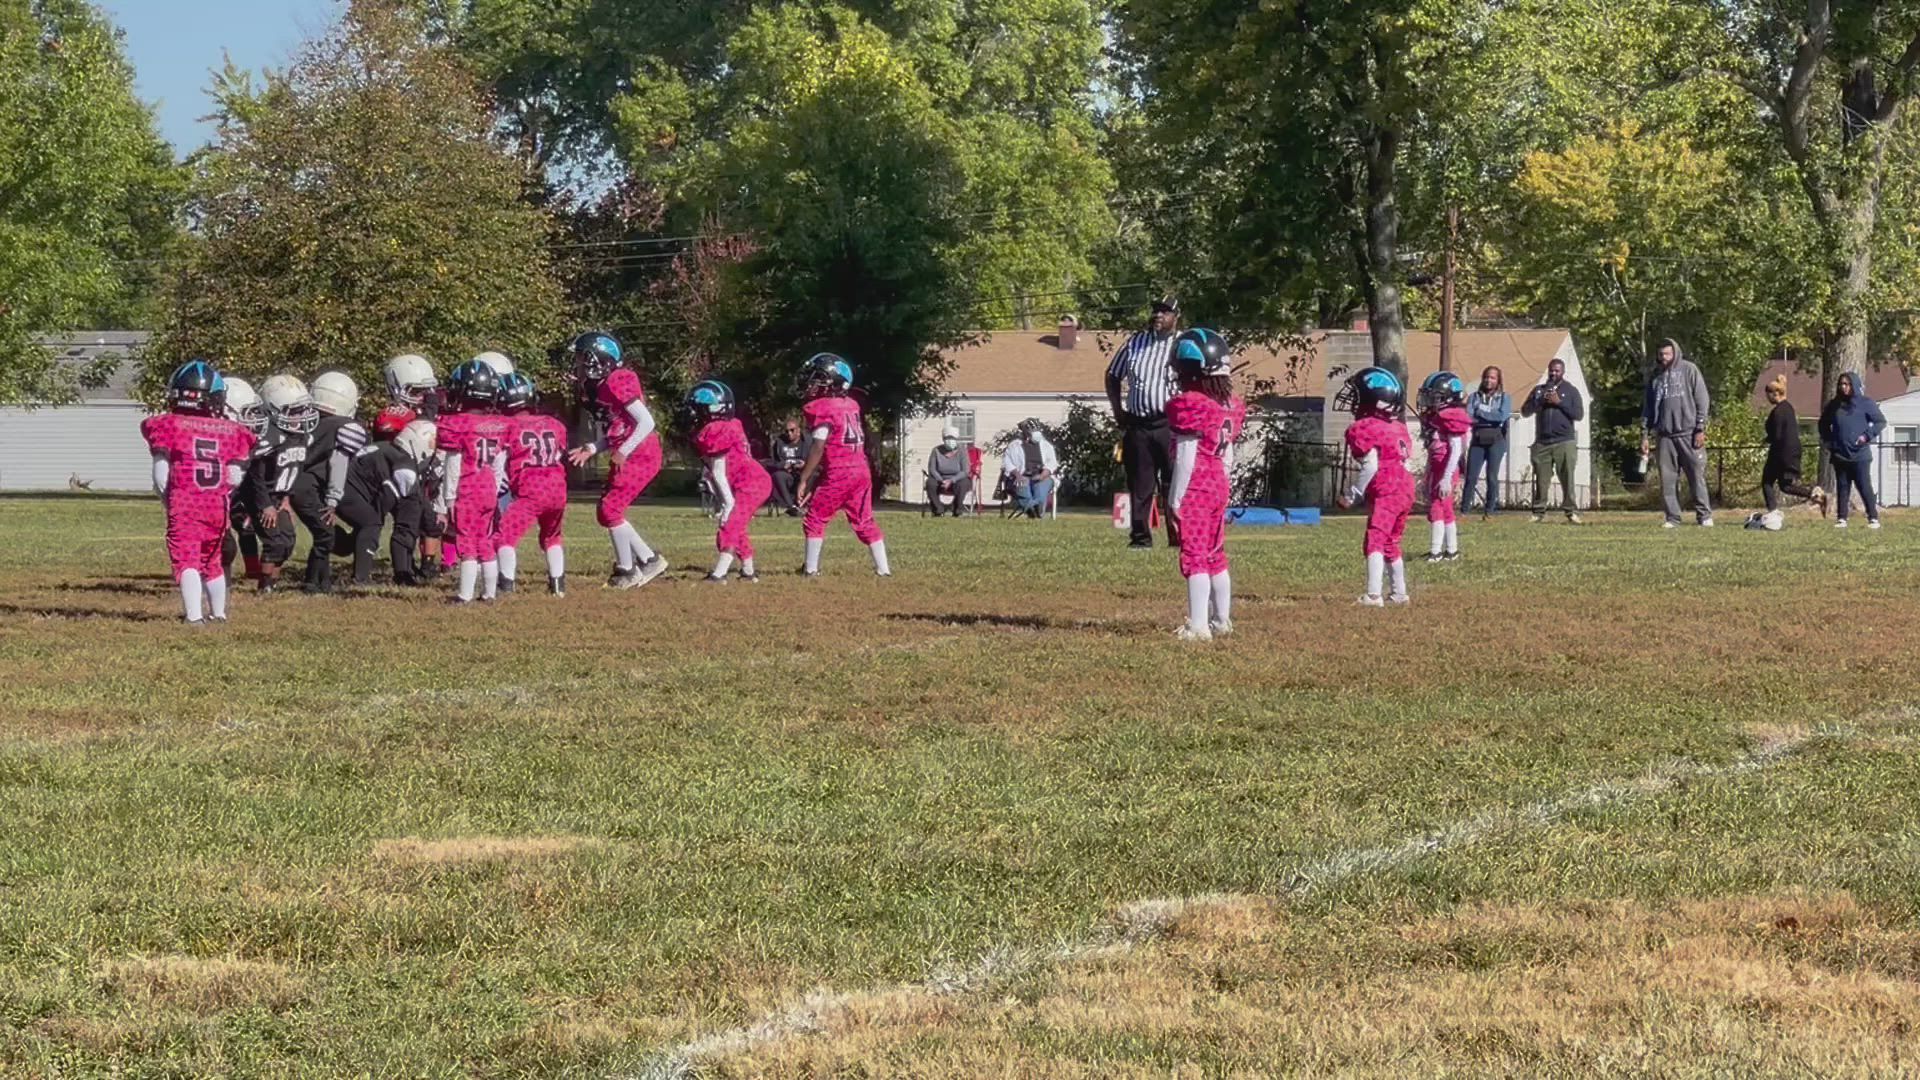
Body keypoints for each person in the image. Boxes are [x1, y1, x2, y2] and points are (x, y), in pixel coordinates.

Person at [141, 362, 257, 625]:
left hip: (185, 501)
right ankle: (219, 613)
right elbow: (234, 477)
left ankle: (194, 616)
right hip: (217, 504)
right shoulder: (230, 432)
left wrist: (167, 500)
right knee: (212, 560)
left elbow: (161, 475)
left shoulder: (169, 425)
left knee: (187, 560)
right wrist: (222, 494)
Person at [566, 331, 669, 589]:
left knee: (610, 510)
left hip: (641, 453)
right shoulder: (600, 388)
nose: (577, 364)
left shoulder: (617, 381)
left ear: (598, 360)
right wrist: (592, 447)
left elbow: (646, 422)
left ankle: (627, 570)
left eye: (581, 358)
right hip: (630, 452)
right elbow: (618, 430)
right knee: (607, 511)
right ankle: (648, 559)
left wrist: (625, 450)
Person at [1166, 328, 1245, 642]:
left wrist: (1174, 499)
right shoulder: (1228, 405)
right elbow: (1228, 455)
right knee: (1216, 553)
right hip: (1218, 481)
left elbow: (1186, 457)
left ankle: (1199, 625)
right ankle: (1222, 619)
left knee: (1195, 553)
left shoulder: (1193, 406)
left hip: (1196, 482)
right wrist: (1223, 485)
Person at [795, 353, 891, 577]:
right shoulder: (851, 405)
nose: (812, 384)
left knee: (815, 518)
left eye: (817, 379)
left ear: (832, 383)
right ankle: (884, 569)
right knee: (864, 520)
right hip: (861, 469)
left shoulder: (824, 407)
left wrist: (804, 478)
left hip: (840, 472)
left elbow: (819, 447)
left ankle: (810, 569)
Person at [435, 359, 515, 604]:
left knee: (467, 541)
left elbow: (453, 464)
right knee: (485, 540)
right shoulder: (499, 425)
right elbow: (500, 462)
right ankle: (489, 593)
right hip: (489, 487)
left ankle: (465, 594)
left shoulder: (457, 424)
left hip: (467, 488)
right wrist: (496, 485)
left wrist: (448, 497)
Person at [1106, 297, 1182, 548]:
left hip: (1169, 425)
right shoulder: (1135, 343)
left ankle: (1178, 537)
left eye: (1165, 312)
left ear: (1176, 317)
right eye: (1155, 311)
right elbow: (1112, 376)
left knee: (1174, 483)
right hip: (1138, 424)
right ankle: (1140, 539)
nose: (1158, 315)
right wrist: (1118, 411)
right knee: (1140, 484)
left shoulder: (1181, 345)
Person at [1336, 367, 1414, 607]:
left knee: (1376, 539)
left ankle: (1373, 594)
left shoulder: (1368, 427)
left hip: (1387, 486)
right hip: (1405, 486)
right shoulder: (1397, 427)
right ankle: (1400, 593)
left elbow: (1370, 465)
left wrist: (1353, 494)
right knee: (1392, 541)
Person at [686, 380, 773, 582]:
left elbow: (718, 471)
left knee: (730, 524)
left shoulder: (718, 429)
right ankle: (749, 571)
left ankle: (720, 572)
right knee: (737, 525)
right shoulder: (728, 424)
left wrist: (728, 503)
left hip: (752, 484)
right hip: (748, 482)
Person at [291, 370, 367, 595]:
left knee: (324, 532)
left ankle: (323, 582)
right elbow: (338, 463)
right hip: (305, 487)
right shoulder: (344, 426)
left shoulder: (306, 420)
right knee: (325, 533)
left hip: (294, 482)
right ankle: (312, 583)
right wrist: (333, 499)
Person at [496, 371, 571, 595]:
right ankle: (558, 586)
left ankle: (506, 586)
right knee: (552, 536)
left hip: (531, 488)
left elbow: (500, 462)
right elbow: (559, 453)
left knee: (504, 536)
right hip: (558, 487)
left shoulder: (506, 427)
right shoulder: (555, 424)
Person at [330, 405, 416, 587]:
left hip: (341, 488)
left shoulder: (375, 447)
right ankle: (360, 578)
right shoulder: (394, 454)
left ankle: (328, 536)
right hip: (347, 491)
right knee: (371, 524)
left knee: (359, 533)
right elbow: (387, 493)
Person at [251, 375, 316, 593]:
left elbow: (292, 471)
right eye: (294, 411)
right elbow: (256, 475)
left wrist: (286, 498)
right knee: (274, 541)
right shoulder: (269, 438)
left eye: (303, 410)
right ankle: (264, 585)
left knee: (287, 541)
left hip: (280, 496)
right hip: (262, 496)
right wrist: (264, 505)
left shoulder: (301, 436)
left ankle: (273, 582)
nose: (301, 416)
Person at [382, 353, 442, 584]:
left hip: (423, 477)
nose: (422, 397)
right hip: (399, 479)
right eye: (417, 391)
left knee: (431, 523)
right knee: (406, 525)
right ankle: (403, 570)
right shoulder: (394, 415)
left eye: (425, 391)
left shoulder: (426, 412)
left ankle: (427, 566)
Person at [1641, 338, 1713, 528]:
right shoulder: (1656, 377)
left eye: (1667, 354)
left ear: (1675, 353)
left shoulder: (1689, 370)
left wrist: (1700, 428)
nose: (1664, 358)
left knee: (1696, 476)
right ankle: (1672, 517)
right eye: (1661, 354)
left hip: (1689, 433)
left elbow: (1702, 399)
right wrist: (1644, 435)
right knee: (1667, 480)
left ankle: (1704, 516)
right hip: (1665, 436)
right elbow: (1648, 408)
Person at [1819, 371, 1886, 529]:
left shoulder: (1865, 403)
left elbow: (1880, 422)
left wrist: (1866, 437)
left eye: (1847, 384)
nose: (1844, 387)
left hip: (1860, 455)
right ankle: (1842, 518)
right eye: (1841, 384)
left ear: (1854, 385)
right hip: (1840, 454)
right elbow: (1823, 425)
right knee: (1842, 486)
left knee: (1864, 486)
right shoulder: (1834, 405)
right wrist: (1829, 442)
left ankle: (1873, 518)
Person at [218, 377, 269, 585]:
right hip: (214, 494)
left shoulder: (240, 435)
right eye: (247, 411)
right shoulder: (221, 436)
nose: (253, 417)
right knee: (223, 538)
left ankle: (251, 568)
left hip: (236, 489)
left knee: (244, 523)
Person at [1522, 358, 1585, 525]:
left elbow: (1578, 415)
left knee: (1567, 478)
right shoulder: (1539, 390)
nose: (1553, 373)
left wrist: (1560, 403)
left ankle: (1571, 512)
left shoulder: (1571, 391)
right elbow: (1525, 411)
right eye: (1551, 370)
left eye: (1557, 370)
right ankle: (1538, 512)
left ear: (1563, 372)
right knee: (1541, 480)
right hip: (1542, 442)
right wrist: (1540, 400)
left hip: (1564, 441)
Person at [1419, 371, 1472, 561]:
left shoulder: (1452, 417)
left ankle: (1436, 552)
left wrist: (1446, 478)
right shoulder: (1438, 416)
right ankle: (1451, 550)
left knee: (1437, 508)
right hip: (1438, 467)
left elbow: (1456, 450)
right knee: (1446, 509)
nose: (1430, 401)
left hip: (1446, 468)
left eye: (1435, 397)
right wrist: (1428, 473)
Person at [1760, 374, 1824, 520]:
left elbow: (1777, 435)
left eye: (1768, 394)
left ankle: (1772, 511)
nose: (1768, 398)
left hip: (1780, 452)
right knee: (1785, 486)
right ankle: (1813, 493)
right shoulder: (1788, 408)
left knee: (1767, 482)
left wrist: (1768, 439)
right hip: (1792, 451)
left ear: (1775, 393)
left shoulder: (1778, 412)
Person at [1462, 366, 1511, 514]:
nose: (1489, 380)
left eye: (1493, 378)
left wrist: (1481, 411)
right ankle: (1465, 509)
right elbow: (1469, 417)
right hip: (1478, 438)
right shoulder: (1474, 397)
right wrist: (1487, 415)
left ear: (1498, 380)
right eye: (1486, 377)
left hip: (1496, 438)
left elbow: (1501, 417)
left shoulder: (1504, 397)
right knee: (1471, 476)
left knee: (1491, 476)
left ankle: (1490, 509)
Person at [1013, 419, 1059, 518]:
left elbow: (1052, 463)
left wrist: (1042, 475)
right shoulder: (1015, 446)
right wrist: (1018, 476)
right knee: (1023, 490)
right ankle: (1034, 511)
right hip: (1022, 477)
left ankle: (1033, 509)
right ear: (1025, 433)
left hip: (1042, 476)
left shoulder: (1046, 446)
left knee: (1040, 491)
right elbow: (1009, 465)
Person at [924, 426, 972, 516]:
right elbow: (932, 469)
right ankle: (938, 509)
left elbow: (965, 471)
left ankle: (957, 509)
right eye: (947, 438)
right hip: (940, 479)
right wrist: (941, 480)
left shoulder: (962, 451)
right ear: (943, 439)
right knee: (930, 483)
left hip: (957, 479)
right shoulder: (936, 451)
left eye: (952, 438)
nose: (949, 441)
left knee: (963, 483)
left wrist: (951, 480)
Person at [766, 420, 808, 515]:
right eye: (786, 431)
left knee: (814, 474)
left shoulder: (807, 442)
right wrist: (783, 465)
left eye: (792, 430)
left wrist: (804, 465)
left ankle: (805, 505)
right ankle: (791, 507)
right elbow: (770, 463)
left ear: (798, 430)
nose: (789, 433)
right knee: (778, 475)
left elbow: (815, 460)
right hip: (787, 475)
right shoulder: (779, 443)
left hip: (803, 475)